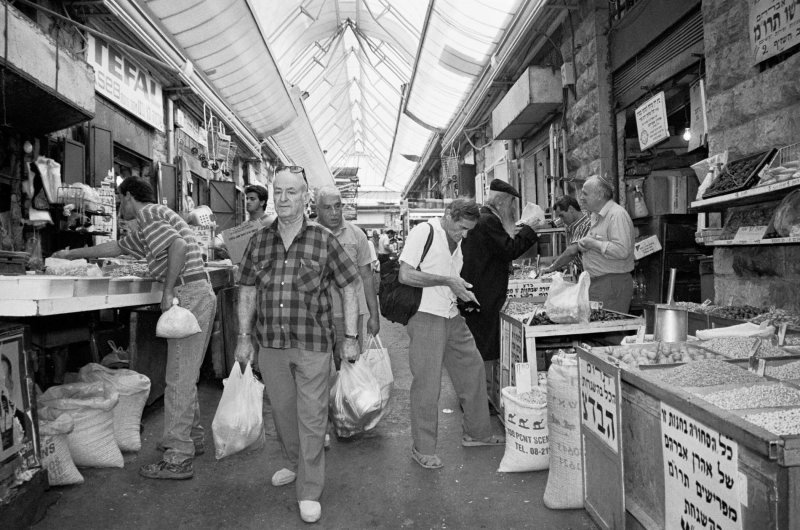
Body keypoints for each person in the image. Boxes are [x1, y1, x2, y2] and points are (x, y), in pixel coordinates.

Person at [53, 176, 216, 480]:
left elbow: (178, 246)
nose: (119, 206)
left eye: (119, 199)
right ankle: (190, 439)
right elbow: (116, 247)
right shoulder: (146, 225)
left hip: (189, 295)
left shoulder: (149, 214)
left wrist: (167, 291)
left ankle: (178, 458)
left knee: (178, 378)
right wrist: (69, 255)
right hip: (195, 294)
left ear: (129, 197)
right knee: (184, 373)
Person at [234, 166, 361, 524]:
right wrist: (244, 337)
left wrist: (350, 338)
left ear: (305, 197)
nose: (284, 198)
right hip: (271, 343)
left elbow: (350, 285)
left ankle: (309, 488)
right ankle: (296, 462)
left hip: (313, 343)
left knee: (311, 416)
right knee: (284, 412)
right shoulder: (259, 240)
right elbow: (246, 289)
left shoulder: (323, 239)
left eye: (292, 192)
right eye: (279, 191)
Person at [398, 198, 505, 470]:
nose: (464, 234)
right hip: (425, 316)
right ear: (448, 215)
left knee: (473, 367)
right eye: (460, 227)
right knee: (427, 384)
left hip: (451, 315)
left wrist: (460, 291)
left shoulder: (457, 240)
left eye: (468, 229)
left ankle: (477, 433)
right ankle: (422, 448)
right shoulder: (425, 231)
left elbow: (450, 277)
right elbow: (406, 275)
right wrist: (447, 281)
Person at [460, 179, 540, 373]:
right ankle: (481, 395)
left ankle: (478, 394)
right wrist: (530, 229)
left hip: (477, 291)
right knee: (485, 345)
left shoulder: (483, 218)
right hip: (484, 294)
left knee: (481, 343)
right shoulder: (488, 220)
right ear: (503, 202)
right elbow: (509, 249)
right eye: (513, 203)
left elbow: (493, 253)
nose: (514, 209)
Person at [315, 186, 380, 367]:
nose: (334, 213)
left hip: (349, 317)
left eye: (338, 206)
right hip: (315, 316)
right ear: (316, 209)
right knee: (318, 369)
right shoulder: (307, 235)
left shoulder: (356, 235)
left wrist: (374, 316)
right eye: (327, 208)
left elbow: (367, 277)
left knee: (350, 368)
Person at [576, 175, 635, 313]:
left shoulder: (617, 215)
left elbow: (622, 250)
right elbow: (596, 243)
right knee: (598, 330)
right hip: (598, 283)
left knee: (608, 330)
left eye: (585, 193)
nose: (581, 197)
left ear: (600, 195)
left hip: (612, 284)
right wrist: (584, 245)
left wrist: (593, 244)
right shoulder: (596, 215)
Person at [213, 184, 276, 261]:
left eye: (252, 199)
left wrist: (227, 246)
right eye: (247, 198)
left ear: (262, 202)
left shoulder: (269, 222)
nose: (248, 202)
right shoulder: (245, 224)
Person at [541, 195, 592, 275]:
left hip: (593, 275)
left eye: (562, 216)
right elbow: (552, 224)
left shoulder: (584, 226)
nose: (561, 220)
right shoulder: (571, 222)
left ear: (571, 209)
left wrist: (552, 268)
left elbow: (571, 252)